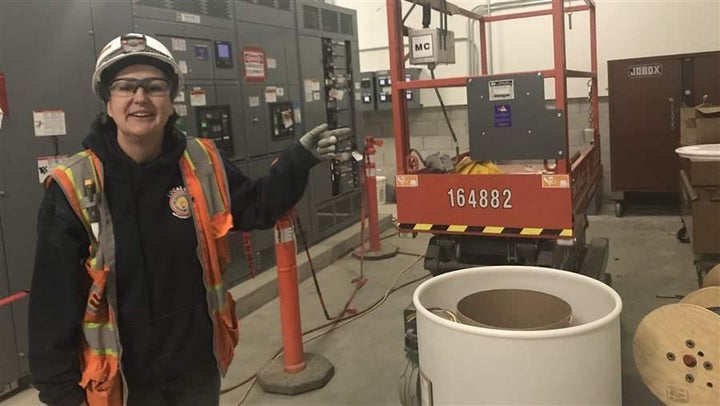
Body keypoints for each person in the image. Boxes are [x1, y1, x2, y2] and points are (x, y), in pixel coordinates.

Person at [28, 33, 351, 406]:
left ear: (170, 100)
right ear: (108, 100)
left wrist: (297, 161)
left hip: (196, 374)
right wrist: (61, 394)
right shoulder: (75, 186)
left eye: (154, 87)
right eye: (125, 87)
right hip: (122, 385)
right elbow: (53, 304)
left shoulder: (202, 163)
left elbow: (256, 207)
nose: (140, 98)